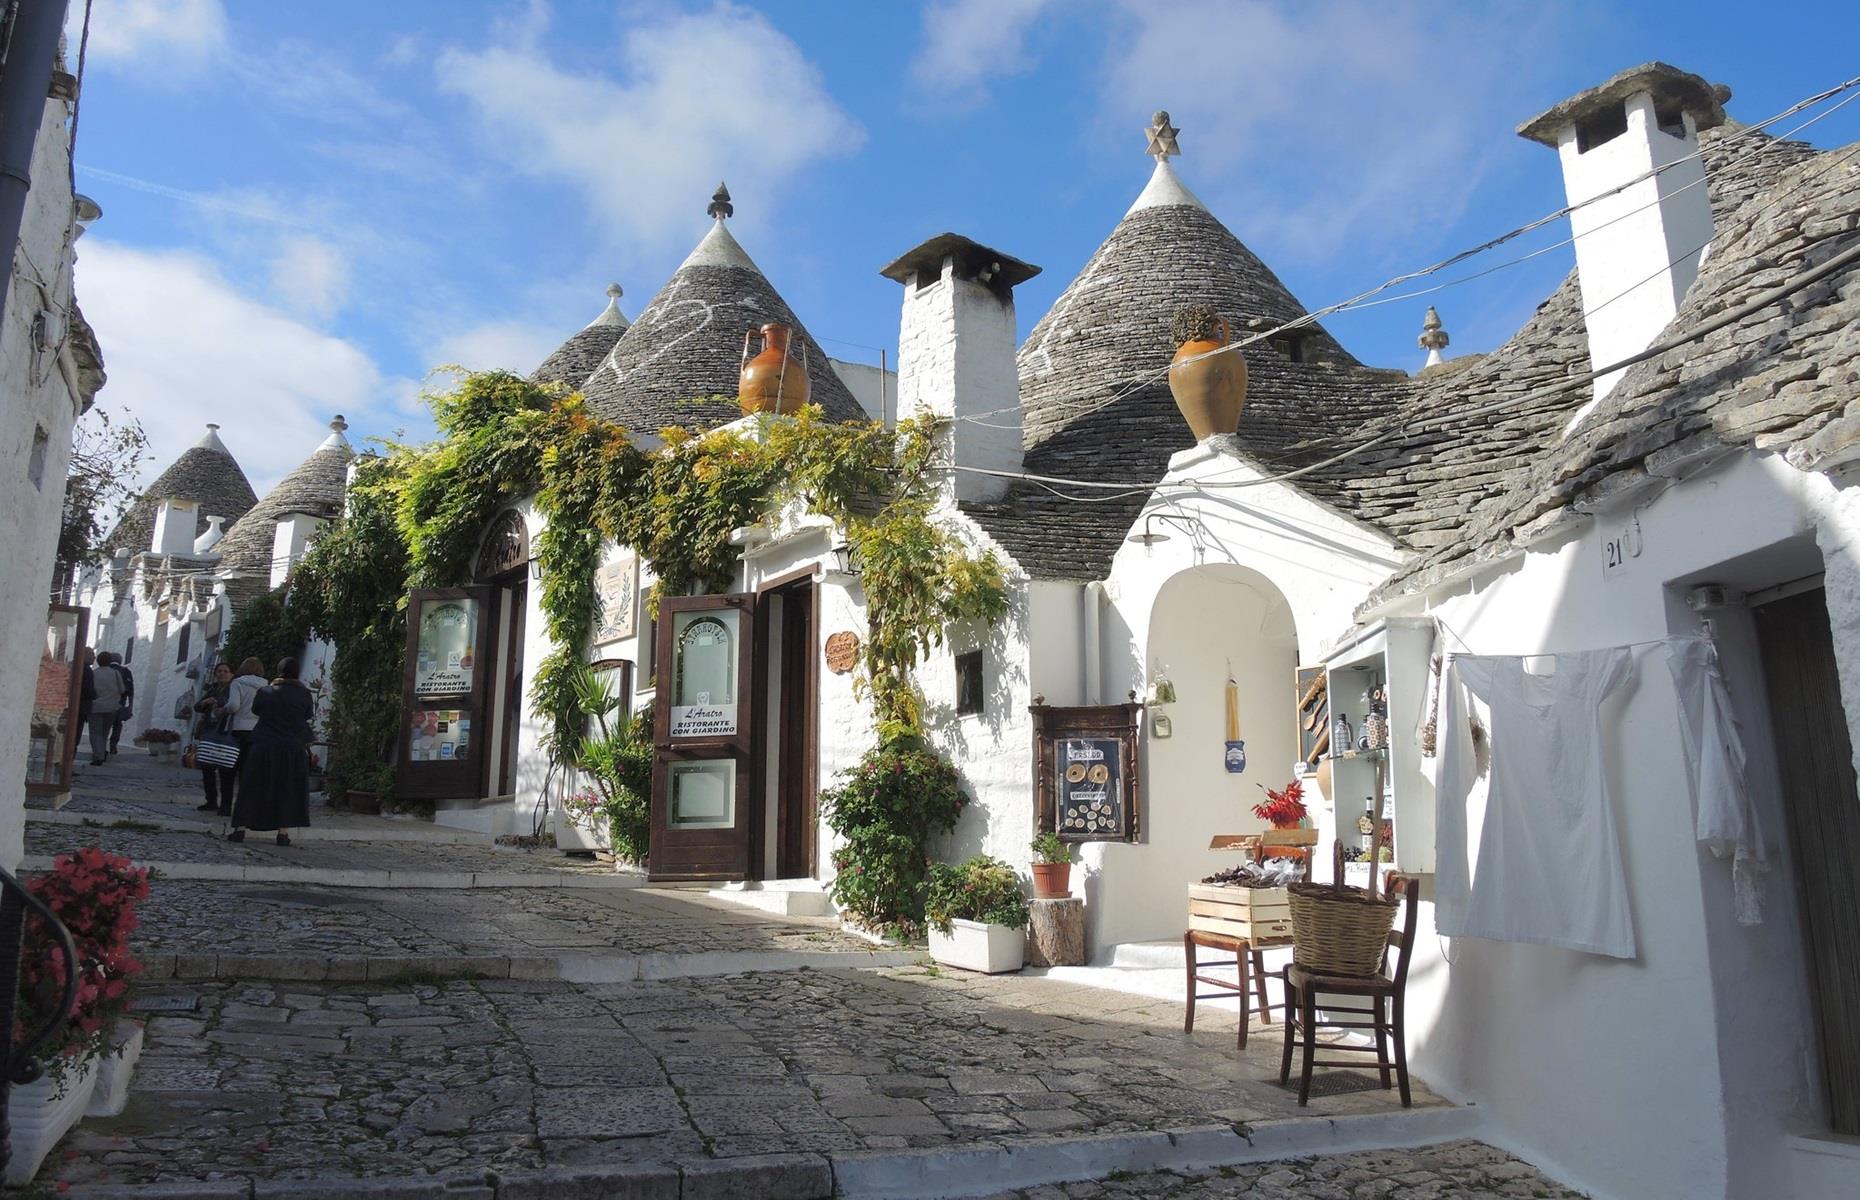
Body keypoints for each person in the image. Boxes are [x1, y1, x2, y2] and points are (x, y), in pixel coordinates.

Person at [229, 657, 313, 846]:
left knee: (253, 785)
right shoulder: (305, 694)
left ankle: (240, 828)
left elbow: (257, 711)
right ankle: (282, 832)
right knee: (287, 788)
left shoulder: (265, 692)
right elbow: (307, 715)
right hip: (292, 746)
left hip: (264, 743)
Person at [193, 662, 238, 815]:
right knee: (207, 768)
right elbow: (197, 707)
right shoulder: (212, 689)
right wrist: (205, 702)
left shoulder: (234, 689)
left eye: (225, 671)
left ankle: (225, 805)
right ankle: (211, 800)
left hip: (226, 734)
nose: (222, 674)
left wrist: (220, 705)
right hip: (210, 733)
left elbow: (234, 706)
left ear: (231, 674)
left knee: (226, 771)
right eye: (219, 671)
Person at [88, 650, 127, 766]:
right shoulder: (115, 673)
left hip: (95, 707)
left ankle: (97, 755)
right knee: (105, 732)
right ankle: (102, 753)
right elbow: (122, 690)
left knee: (95, 733)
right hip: (111, 707)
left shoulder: (94, 673)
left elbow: (90, 690)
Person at [109, 655, 135, 754]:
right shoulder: (125, 671)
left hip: (105, 703)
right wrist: (130, 706)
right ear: (120, 661)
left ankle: (101, 746)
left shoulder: (104, 670)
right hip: (120, 703)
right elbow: (130, 691)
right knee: (117, 724)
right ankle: (113, 744)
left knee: (104, 725)